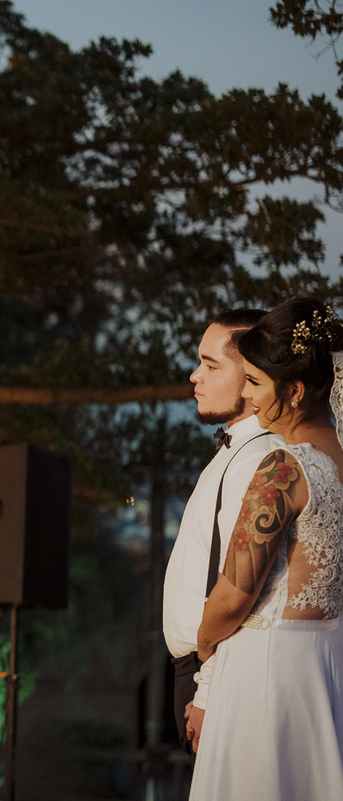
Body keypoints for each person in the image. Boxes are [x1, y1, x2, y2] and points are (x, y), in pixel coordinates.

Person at [189, 298, 343, 799]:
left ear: (294, 391)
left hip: (266, 671)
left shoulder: (283, 468)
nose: (250, 401)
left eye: (255, 383)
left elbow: (234, 593)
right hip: (327, 666)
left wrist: (207, 646)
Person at [162, 308, 280, 755]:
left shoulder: (258, 459)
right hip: (196, 665)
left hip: (213, 667)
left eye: (211, 365)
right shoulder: (234, 451)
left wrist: (207, 689)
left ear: (252, 377)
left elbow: (246, 586)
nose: (195, 376)